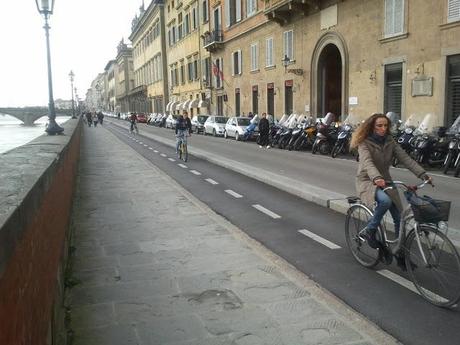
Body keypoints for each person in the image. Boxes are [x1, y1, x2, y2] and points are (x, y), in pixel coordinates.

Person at [349, 113, 432, 265]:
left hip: (385, 181)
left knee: (400, 216)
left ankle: (399, 252)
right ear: (371, 127)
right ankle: (370, 230)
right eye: (379, 126)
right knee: (385, 201)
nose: (383, 128)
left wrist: (423, 174)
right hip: (368, 180)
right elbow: (367, 163)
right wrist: (376, 178)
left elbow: (406, 159)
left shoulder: (390, 141)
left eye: (385, 125)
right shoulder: (364, 143)